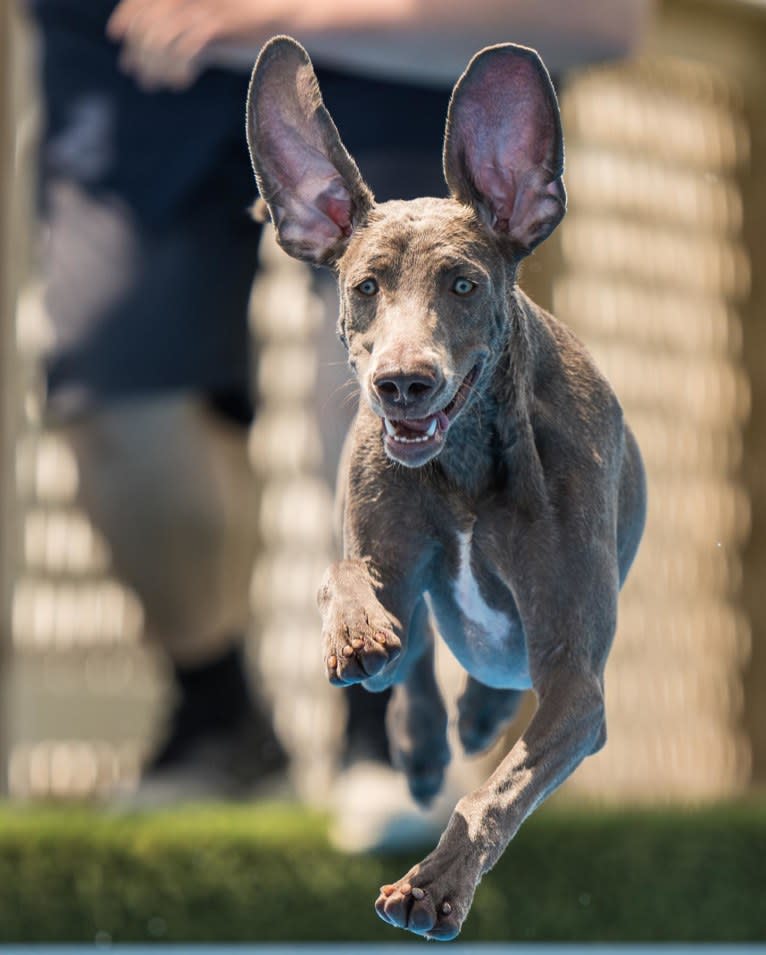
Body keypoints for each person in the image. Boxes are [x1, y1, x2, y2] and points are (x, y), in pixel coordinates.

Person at [28, 0, 650, 818]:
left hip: (400, 42)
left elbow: (603, 19)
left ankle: (386, 733)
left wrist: (275, 14)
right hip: (131, 52)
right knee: (117, 390)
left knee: (405, 377)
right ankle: (219, 721)